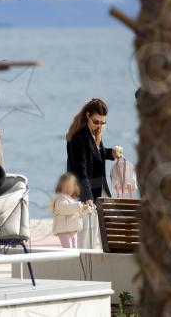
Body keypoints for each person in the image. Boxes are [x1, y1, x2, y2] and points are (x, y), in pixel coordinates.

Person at [65, 98, 121, 248]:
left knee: (105, 229)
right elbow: (81, 169)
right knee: (87, 235)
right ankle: (86, 261)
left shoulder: (93, 132)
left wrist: (111, 153)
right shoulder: (79, 137)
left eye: (103, 122)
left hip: (98, 187)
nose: (99, 125)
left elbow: (96, 154)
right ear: (87, 115)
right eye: (96, 122)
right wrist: (87, 197)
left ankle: (105, 256)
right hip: (85, 189)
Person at [49, 173, 93, 249]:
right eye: (66, 187)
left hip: (73, 229)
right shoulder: (60, 199)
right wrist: (78, 206)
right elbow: (65, 208)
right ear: (60, 187)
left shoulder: (72, 200)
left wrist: (86, 209)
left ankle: (73, 257)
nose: (68, 189)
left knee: (74, 248)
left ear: (74, 188)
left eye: (70, 187)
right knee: (68, 248)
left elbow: (77, 211)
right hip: (63, 230)